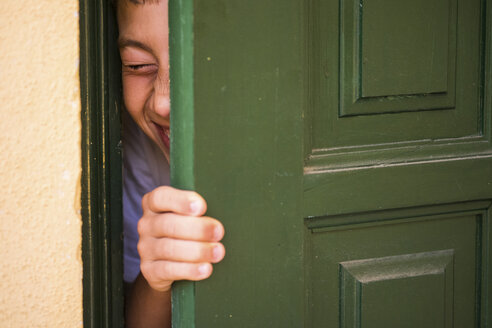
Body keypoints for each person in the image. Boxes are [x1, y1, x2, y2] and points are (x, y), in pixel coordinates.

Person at [115, 0, 226, 327]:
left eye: (200, 61)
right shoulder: (135, 149)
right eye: (137, 65)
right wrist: (157, 279)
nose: (162, 103)